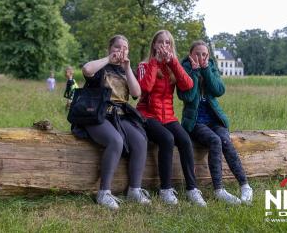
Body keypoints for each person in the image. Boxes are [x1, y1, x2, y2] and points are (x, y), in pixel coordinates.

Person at [74, 35, 150, 210]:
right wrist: (109, 59)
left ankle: (134, 190)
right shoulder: (102, 67)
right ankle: (104, 193)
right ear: (110, 48)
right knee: (115, 141)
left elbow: (137, 92)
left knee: (140, 140)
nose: (121, 51)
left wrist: (128, 67)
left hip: (119, 115)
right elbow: (86, 69)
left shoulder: (125, 71)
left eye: (124, 48)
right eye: (117, 47)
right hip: (96, 114)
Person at [177, 40, 253, 205]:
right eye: (197, 53)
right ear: (191, 55)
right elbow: (187, 97)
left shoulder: (210, 67)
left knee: (225, 140)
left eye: (204, 54)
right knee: (215, 140)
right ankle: (219, 189)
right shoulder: (184, 69)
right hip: (195, 122)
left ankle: (245, 185)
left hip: (214, 119)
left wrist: (205, 71)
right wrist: (196, 74)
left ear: (208, 55)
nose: (201, 57)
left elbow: (219, 90)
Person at [136, 30, 206, 207]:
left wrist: (173, 62)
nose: (164, 46)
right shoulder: (145, 65)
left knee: (184, 140)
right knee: (167, 139)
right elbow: (145, 89)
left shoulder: (172, 66)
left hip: (168, 116)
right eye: (161, 42)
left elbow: (188, 84)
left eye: (168, 43)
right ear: (154, 45)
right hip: (147, 115)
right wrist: (155, 62)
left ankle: (192, 189)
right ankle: (165, 189)